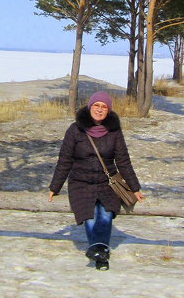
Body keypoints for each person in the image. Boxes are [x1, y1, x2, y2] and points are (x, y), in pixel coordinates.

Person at [48, 90, 143, 270]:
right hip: (80, 182)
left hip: (107, 182)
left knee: (106, 214)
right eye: (97, 106)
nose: (100, 110)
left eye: (104, 107)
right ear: (90, 106)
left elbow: (123, 161)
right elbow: (65, 160)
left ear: (108, 110)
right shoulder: (75, 130)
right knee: (90, 216)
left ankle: (98, 250)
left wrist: (135, 187)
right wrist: (55, 187)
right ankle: (101, 253)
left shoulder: (114, 131)